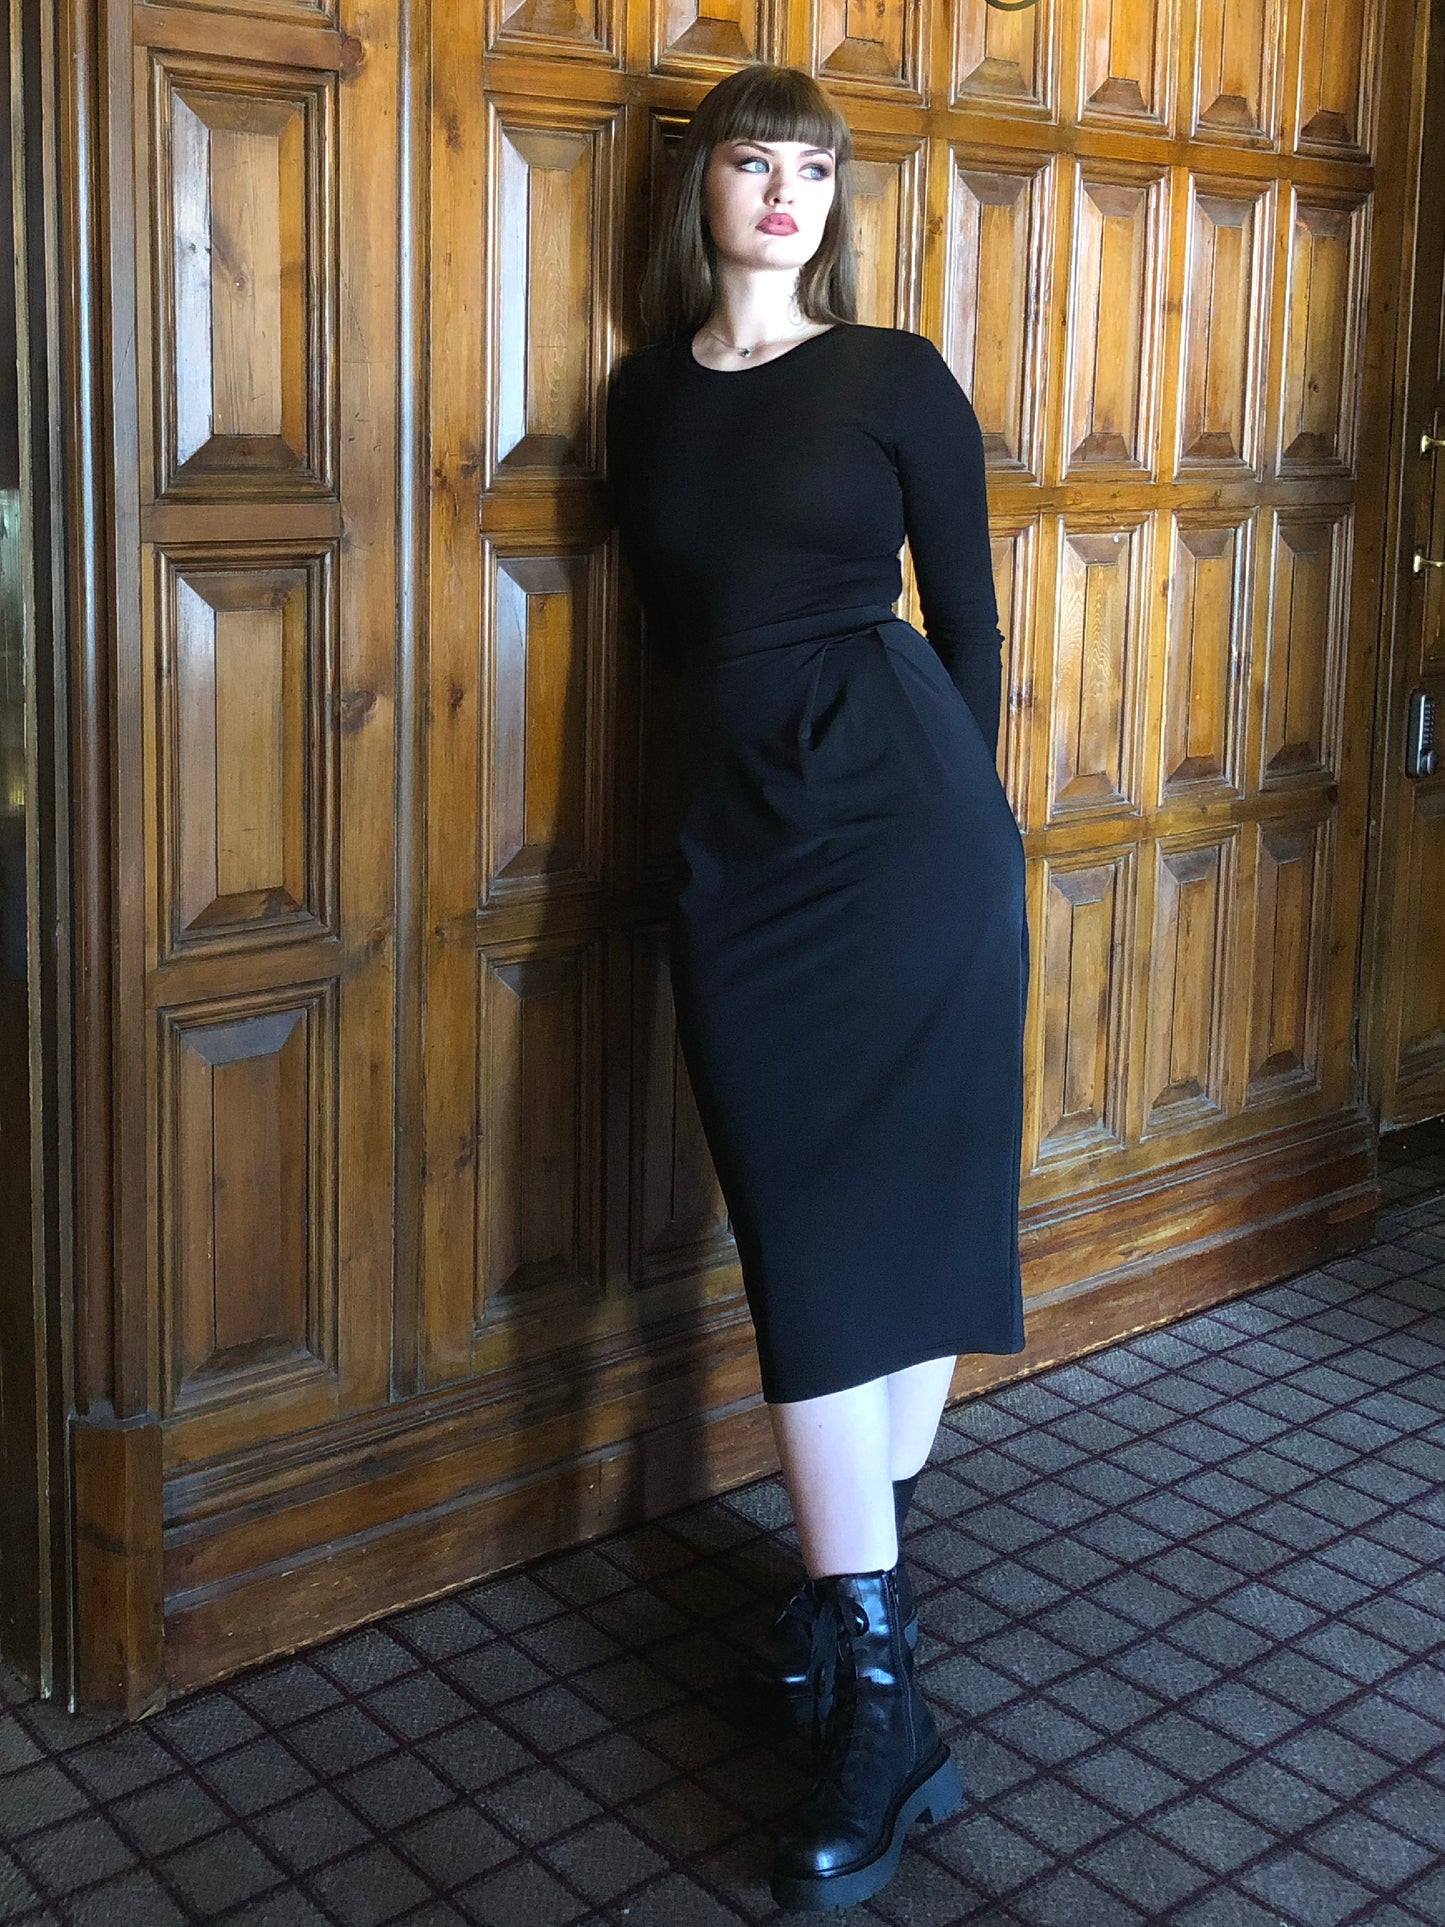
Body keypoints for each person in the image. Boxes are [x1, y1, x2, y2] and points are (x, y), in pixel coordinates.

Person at [604, 61, 1030, 1913]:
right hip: (740, 850)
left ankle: (875, 1688)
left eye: (810, 168)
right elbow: (672, 643)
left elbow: (972, 626)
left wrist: (964, 831)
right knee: (805, 1231)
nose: (783, 192)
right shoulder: (640, 398)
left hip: (908, 833)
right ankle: (847, 1602)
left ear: (834, 201)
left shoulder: (894, 375)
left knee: (900, 1216)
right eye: (750, 161)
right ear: (699, 189)